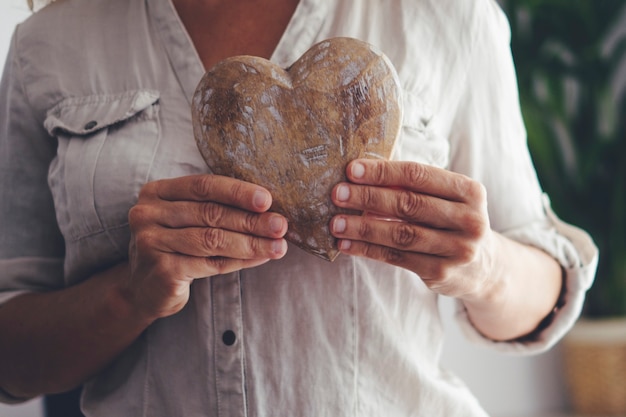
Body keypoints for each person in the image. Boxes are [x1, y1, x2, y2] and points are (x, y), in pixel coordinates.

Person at [0, 0, 598, 416]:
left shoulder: (446, 17)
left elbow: (545, 286)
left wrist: (485, 266)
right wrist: (128, 294)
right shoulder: (52, 45)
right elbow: (12, 359)